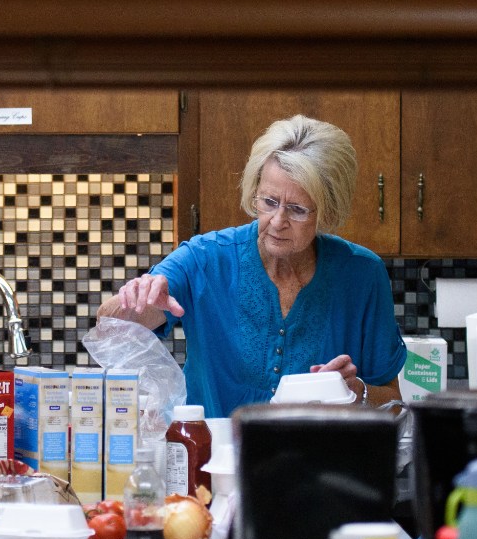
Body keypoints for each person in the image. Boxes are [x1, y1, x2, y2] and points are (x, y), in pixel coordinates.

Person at [100, 114, 405, 417]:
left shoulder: (362, 275)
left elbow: (393, 403)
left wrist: (355, 392)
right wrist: (136, 301)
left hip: (319, 463)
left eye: (297, 210)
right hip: (211, 460)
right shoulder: (205, 258)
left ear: (327, 210)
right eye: (269, 201)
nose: (277, 221)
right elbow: (109, 329)